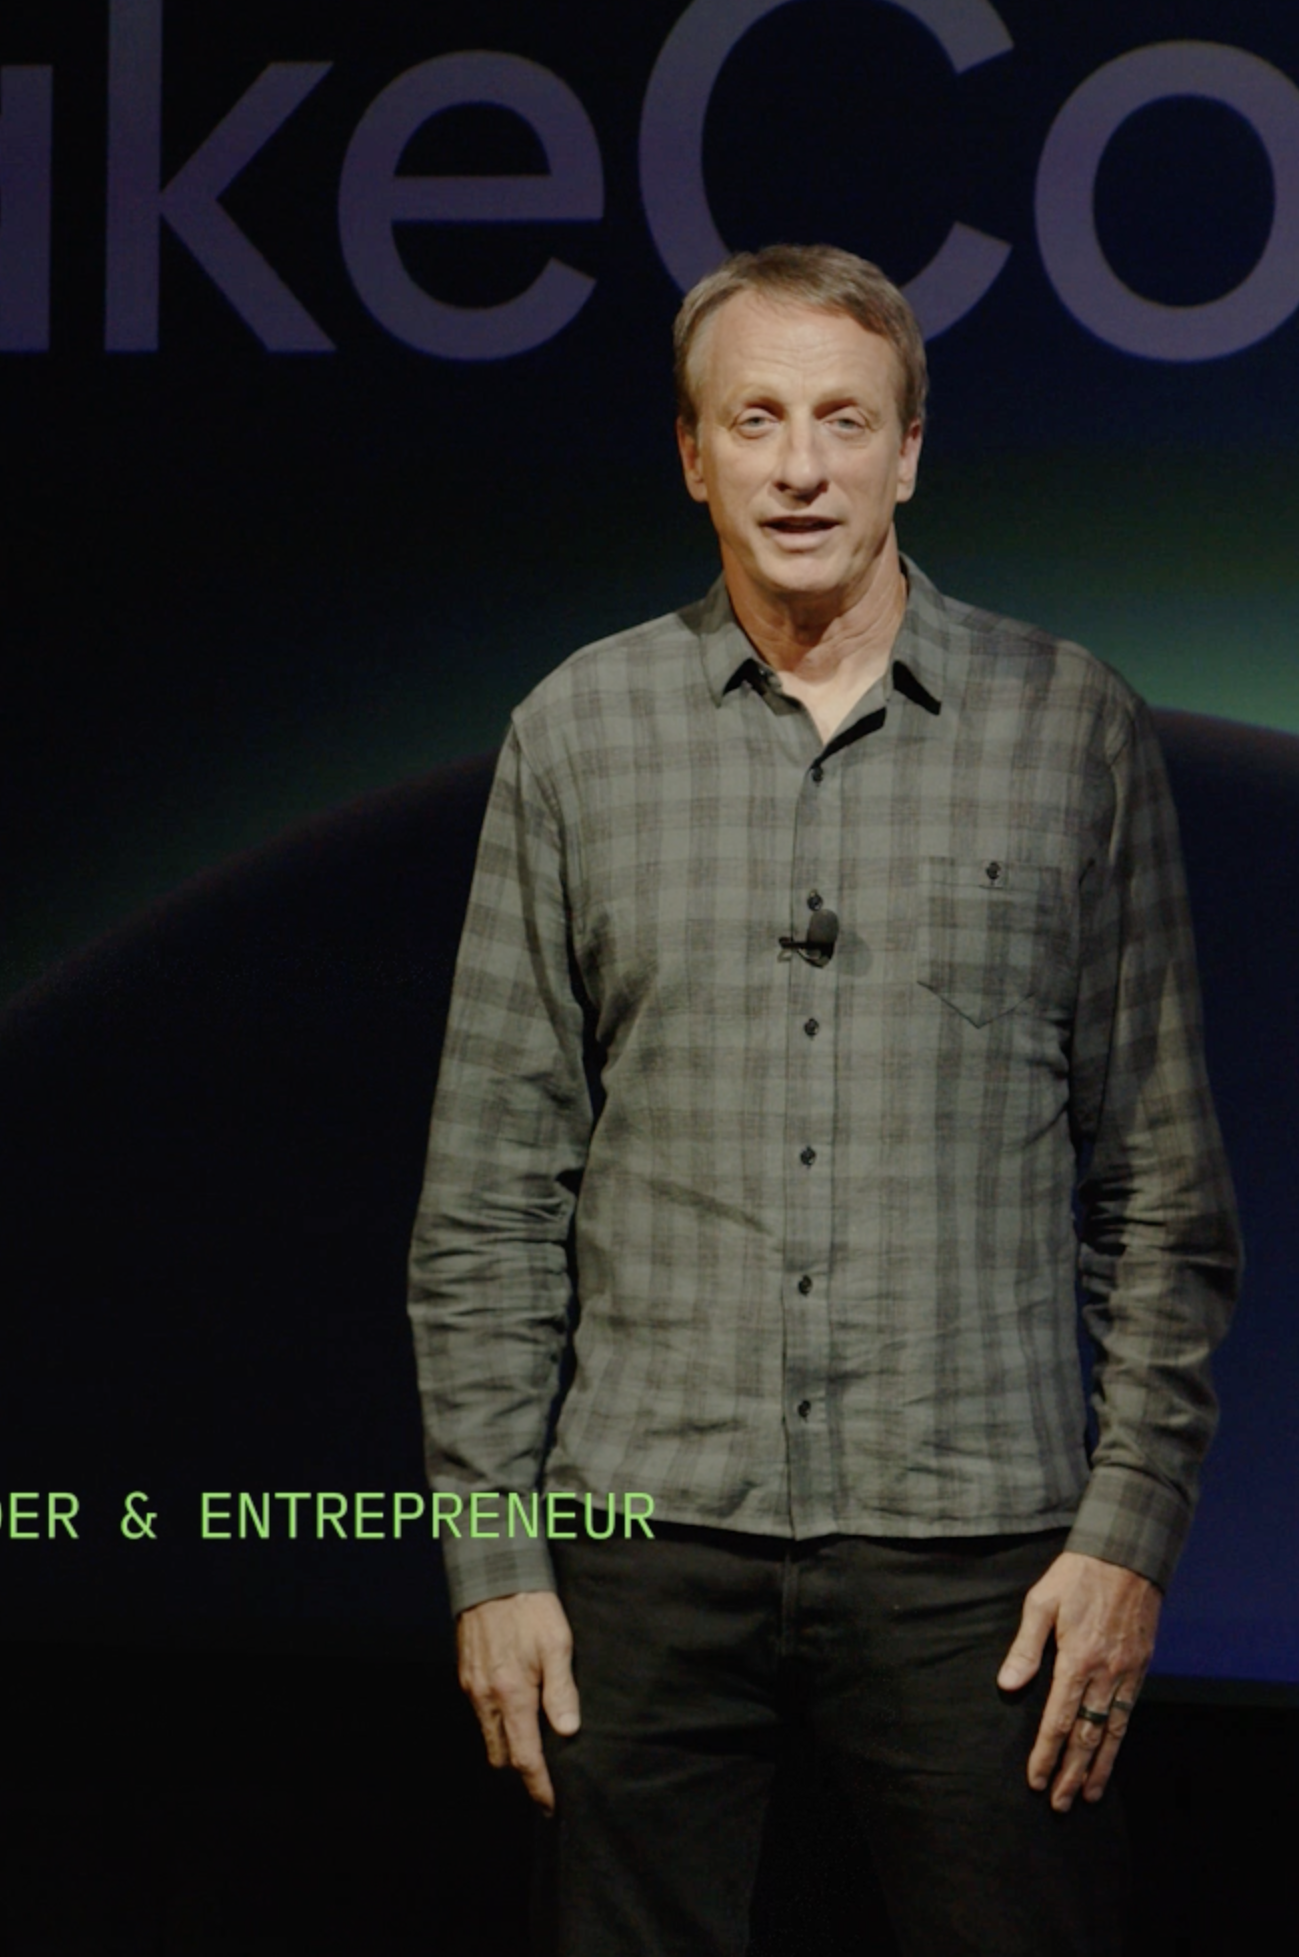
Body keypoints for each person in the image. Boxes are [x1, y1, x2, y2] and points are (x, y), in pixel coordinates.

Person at [407, 242, 1241, 1955]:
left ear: (910, 450)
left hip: (981, 1554)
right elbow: (487, 1201)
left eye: (845, 420)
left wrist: (1130, 1533)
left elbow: (1163, 1191)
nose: (802, 467)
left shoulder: (1068, 728)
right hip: (647, 1537)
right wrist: (494, 1557)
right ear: (692, 453)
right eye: (758, 420)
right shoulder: (578, 732)